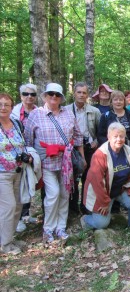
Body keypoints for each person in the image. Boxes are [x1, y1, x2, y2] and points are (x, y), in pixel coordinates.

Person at [25, 83, 85, 243]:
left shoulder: (68, 114)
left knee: (65, 194)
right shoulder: (36, 114)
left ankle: (61, 227)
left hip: (66, 162)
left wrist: (81, 156)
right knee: (53, 194)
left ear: (61, 98)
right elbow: (28, 140)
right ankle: (48, 229)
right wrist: (35, 157)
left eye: (57, 95)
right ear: (45, 96)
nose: (53, 97)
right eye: (50, 94)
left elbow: (78, 136)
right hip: (46, 163)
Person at [81, 123, 130, 233]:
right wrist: (104, 202)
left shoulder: (128, 151)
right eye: (115, 136)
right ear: (109, 137)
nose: (119, 139)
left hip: (119, 189)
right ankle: (86, 219)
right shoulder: (100, 154)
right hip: (101, 193)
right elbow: (97, 183)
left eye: (122, 136)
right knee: (102, 224)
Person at [0, 93, 30, 254]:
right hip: (2, 174)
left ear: (12, 107)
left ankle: (9, 238)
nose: (3, 108)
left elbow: (23, 144)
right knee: (8, 206)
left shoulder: (16, 124)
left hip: (18, 171)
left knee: (18, 205)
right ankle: (4, 244)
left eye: (6, 104)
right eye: (0, 104)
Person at [97, 90, 130, 196]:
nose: (118, 102)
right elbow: (100, 134)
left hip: (128, 148)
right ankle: (114, 201)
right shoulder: (106, 116)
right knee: (114, 172)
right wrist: (109, 147)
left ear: (124, 101)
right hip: (113, 149)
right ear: (111, 101)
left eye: (121, 99)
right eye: (115, 99)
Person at [65, 82, 101, 214]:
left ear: (87, 95)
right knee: (72, 178)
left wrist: (96, 141)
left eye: (84, 92)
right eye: (79, 92)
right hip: (72, 149)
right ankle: (72, 209)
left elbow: (100, 132)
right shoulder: (66, 110)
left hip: (89, 148)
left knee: (89, 178)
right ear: (74, 93)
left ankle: (86, 207)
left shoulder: (94, 111)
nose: (81, 95)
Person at [11, 83, 38, 232]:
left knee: (28, 184)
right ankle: (18, 219)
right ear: (21, 96)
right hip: (16, 155)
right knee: (18, 186)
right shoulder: (14, 113)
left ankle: (26, 214)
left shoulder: (38, 112)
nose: (29, 97)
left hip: (33, 154)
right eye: (26, 94)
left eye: (32, 94)